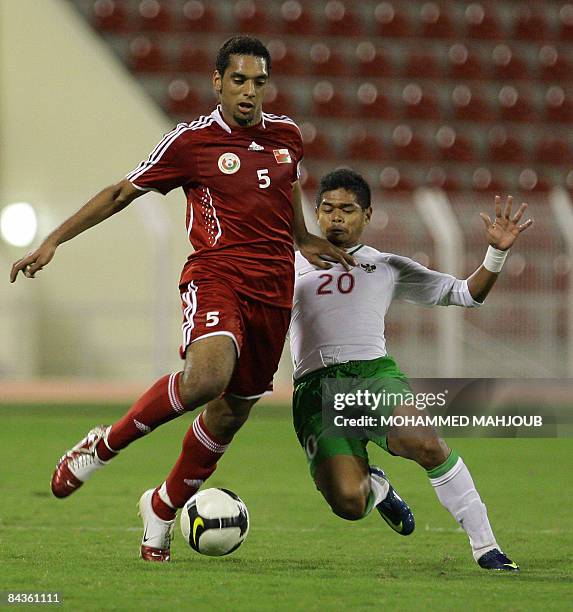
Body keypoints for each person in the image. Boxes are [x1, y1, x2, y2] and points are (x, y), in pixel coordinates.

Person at [9, 36, 354, 562]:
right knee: (207, 377)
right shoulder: (190, 142)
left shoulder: (286, 135)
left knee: (229, 414)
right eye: (238, 80)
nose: (249, 92)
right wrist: (54, 239)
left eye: (258, 82)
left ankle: (163, 509)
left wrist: (303, 236)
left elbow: (285, 184)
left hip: (274, 291)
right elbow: (122, 192)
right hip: (215, 274)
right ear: (217, 81)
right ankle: (103, 446)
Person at [290, 168, 533, 571]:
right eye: (328, 209)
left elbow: (465, 294)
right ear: (315, 214)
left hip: (371, 376)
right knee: (349, 503)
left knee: (425, 442)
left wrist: (496, 253)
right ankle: (378, 487)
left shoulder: (385, 266)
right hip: (314, 392)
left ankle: (486, 546)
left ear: (368, 215)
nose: (336, 217)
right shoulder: (287, 265)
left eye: (347, 210)